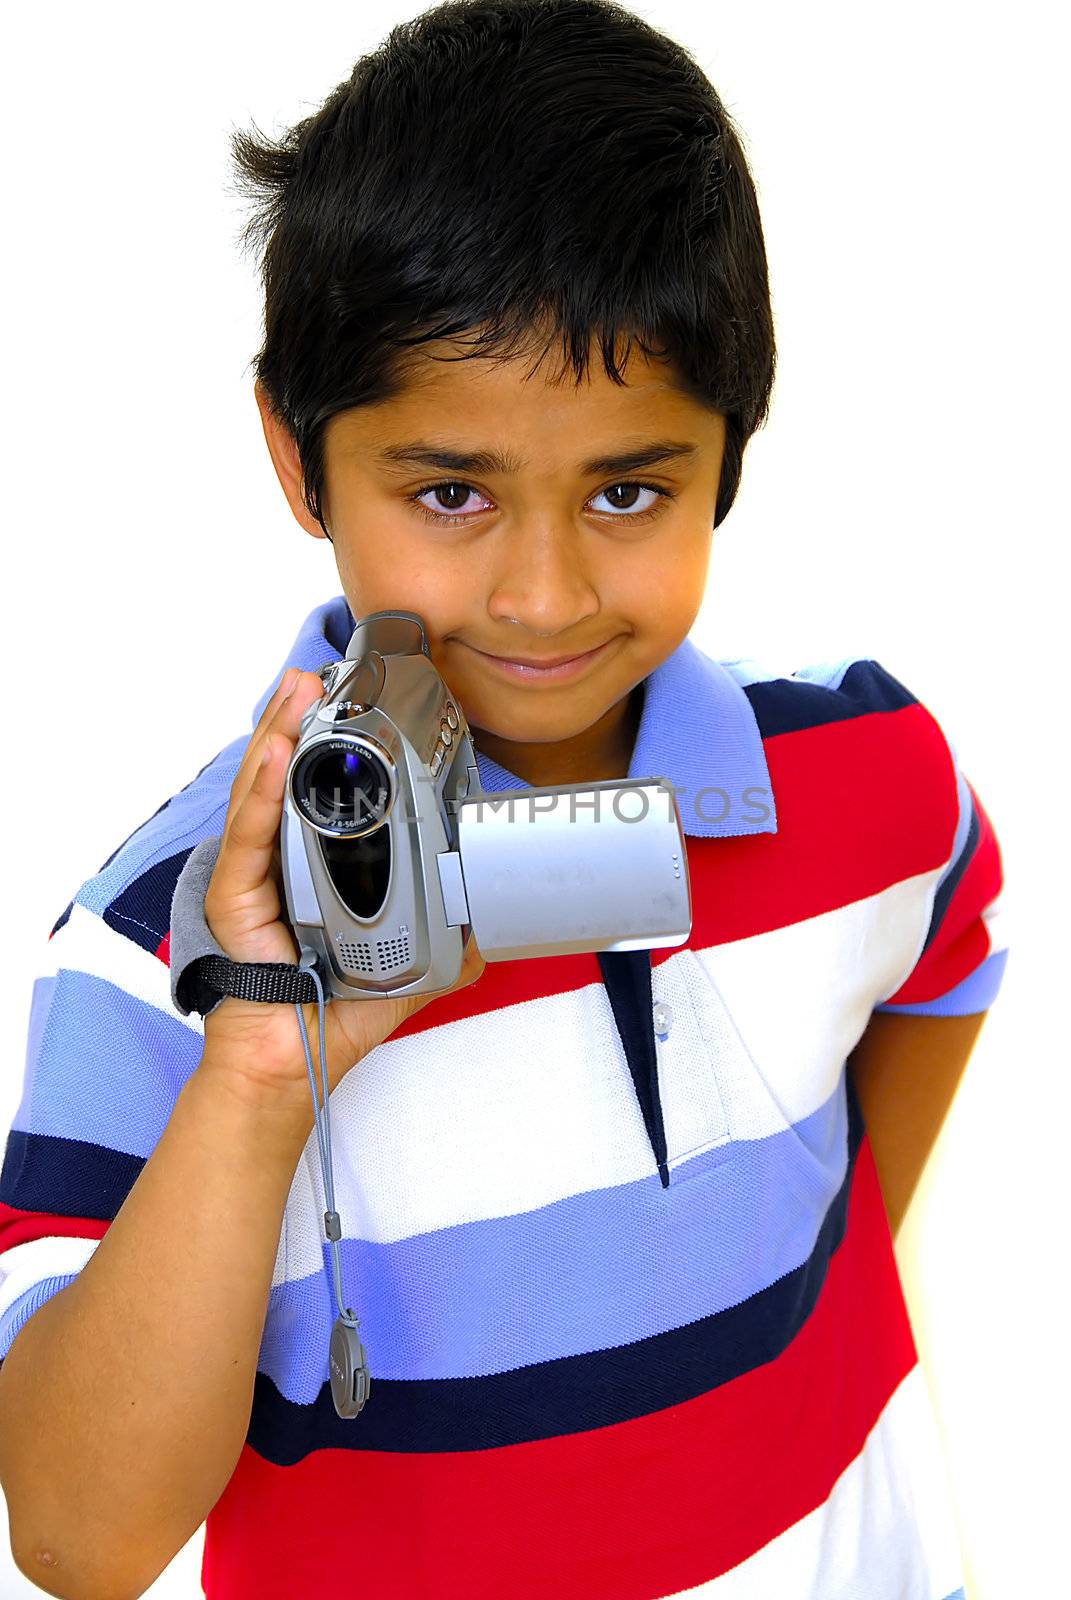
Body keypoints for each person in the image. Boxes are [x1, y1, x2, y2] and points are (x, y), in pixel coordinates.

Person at [0, 2, 1007, 1596]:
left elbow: (948, 953)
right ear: (297, 453)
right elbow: (76, 1540)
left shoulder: (866, 769)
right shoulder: (159, 936)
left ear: (728, 456)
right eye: (450, 492)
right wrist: (263, 1074)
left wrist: (779, 1278)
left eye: (629, 489)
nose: (542, 596)